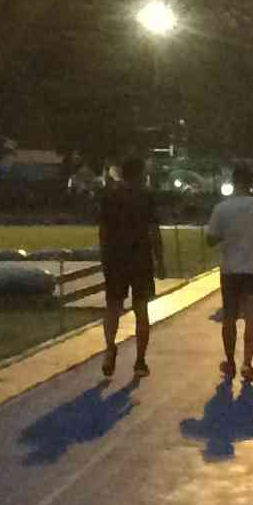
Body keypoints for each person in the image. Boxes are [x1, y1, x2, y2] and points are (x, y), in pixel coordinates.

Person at [203, 166, 253, 386]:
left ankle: (229, 361)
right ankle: (247, 362)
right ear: (251, 182)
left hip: (230, 269)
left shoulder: (221, 208)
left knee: (229, 317)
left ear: (233, 181)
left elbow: (210, 239)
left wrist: (226, 236)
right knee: (252, 317)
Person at [96, 155, 162, 381]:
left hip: (115, 257)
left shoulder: (110, 196)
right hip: (140, 258)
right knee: (141, 309)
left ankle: (109, 347)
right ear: (140, 174)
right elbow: (154, 230)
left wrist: (105, 256)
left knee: (113, 305)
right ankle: (140, 361)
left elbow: (103, 230)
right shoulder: (146, 197)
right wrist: (160, 260)